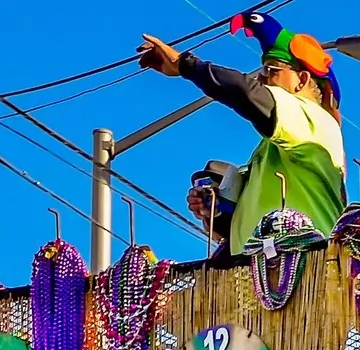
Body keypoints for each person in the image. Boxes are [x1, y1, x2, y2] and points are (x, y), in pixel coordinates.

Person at [137, 14, 346, 256]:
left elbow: (246, 92)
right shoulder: (273, 151)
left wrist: (185, 65)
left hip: (308, 265)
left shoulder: (316, 121)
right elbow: (247, 219)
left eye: (271, 70)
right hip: (266, 274)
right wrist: (215, 209)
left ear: (302, 79)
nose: (261, 77)